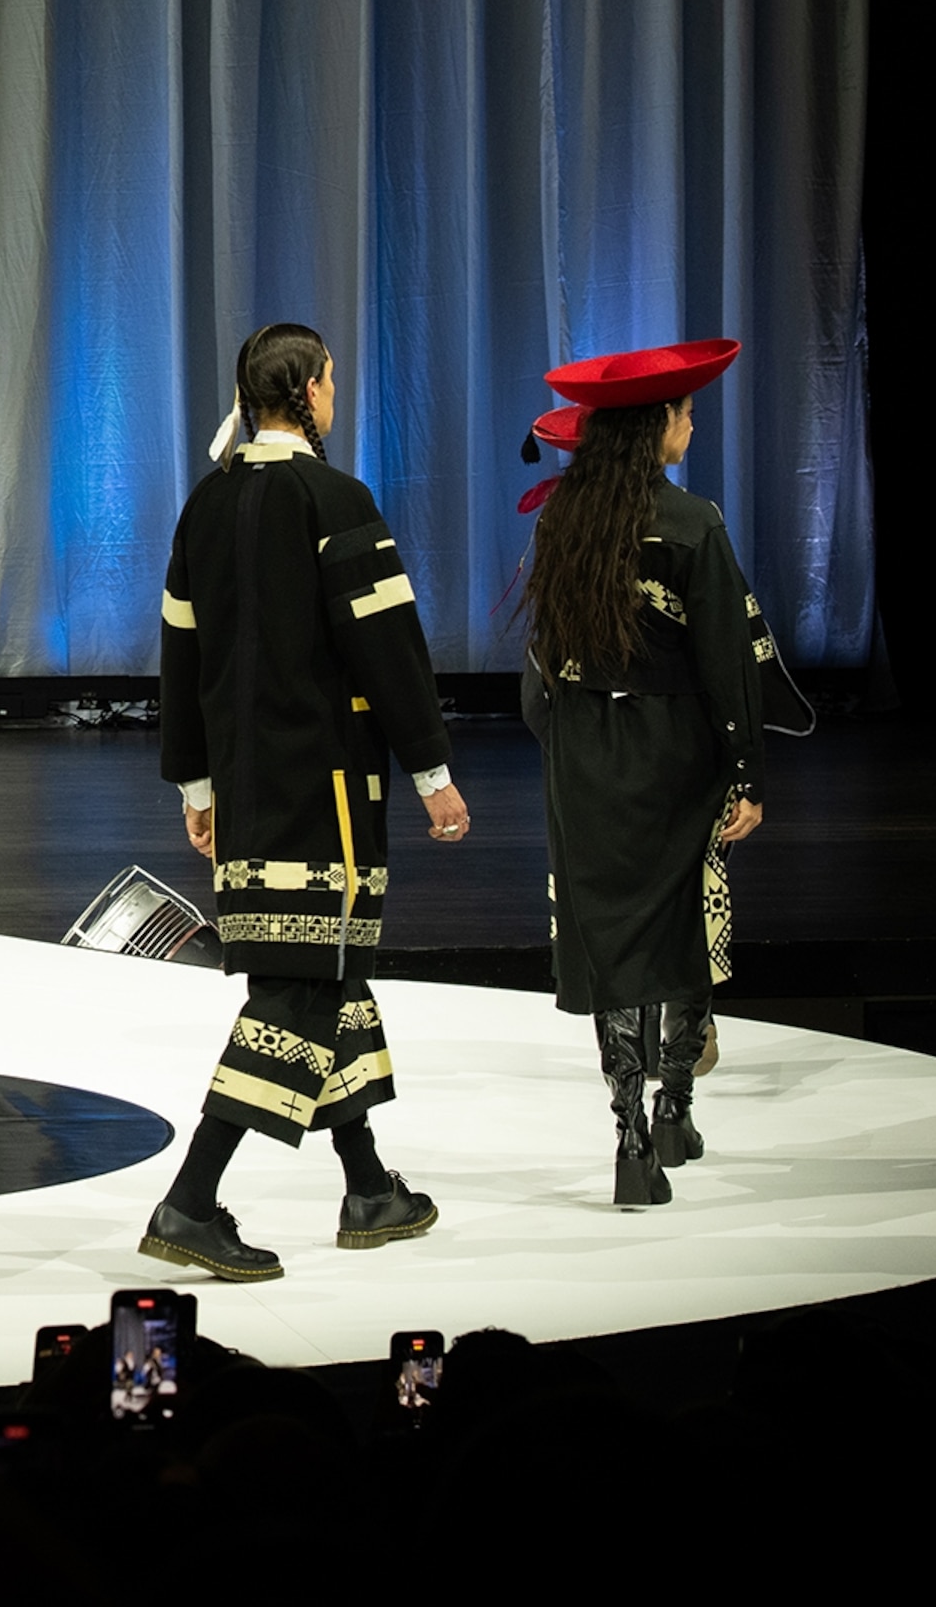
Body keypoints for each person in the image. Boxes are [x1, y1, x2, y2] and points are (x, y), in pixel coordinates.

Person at [140, 323, 468, 1283]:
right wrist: (432, 771)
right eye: (333, 379)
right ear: (312, 391)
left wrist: (194, 784)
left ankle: (368, 1185)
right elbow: (388, 644)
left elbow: (181, 656)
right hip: (323, 791)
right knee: (296, 988)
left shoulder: (206, 506)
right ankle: (189, 1200)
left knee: (319, 977)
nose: (337, 393)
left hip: (243, 786)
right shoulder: (334, 498)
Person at [521, 338, 810, 1208]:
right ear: (658, 427)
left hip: (584, 748)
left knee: (610, 933)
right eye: (685, 413)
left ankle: (629, 1134)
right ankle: (676, 1103)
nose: (692, 423)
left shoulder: (561, 519)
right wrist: (748, 769)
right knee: (682, 914)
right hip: (672, 745)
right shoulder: (692, 524)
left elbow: (540, 654)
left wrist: (560, 740)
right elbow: (730, 659)